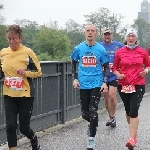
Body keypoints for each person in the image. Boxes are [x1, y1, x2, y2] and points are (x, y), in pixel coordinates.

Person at [0, 24, 42, 150]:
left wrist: (26, 73)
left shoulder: (27, 52)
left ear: (20, 38)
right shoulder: (3, 52)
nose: (12, 42)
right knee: (10, 126)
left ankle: (33, 138)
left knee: (24, 128)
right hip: (9, 95)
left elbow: (39, 72)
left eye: (14, 38)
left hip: (25, 95)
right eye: (9, 39)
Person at [70, 23, 110, 150]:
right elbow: (73, 63)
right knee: (84, 113)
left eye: (93, 30)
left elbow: (107, 67)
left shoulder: (101, 50)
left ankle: (91, 139)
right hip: (83, 83)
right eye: (88, 30)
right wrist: (74, 79)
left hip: (96, 83)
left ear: (96, 33)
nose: (90, 33)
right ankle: (91, 124)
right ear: (84, 33)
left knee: (93, 110)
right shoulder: (78, 48)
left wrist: (105, 82)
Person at [112, 29, 150, 149]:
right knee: (128, 112)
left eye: (133, 36)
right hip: (123, 84)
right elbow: (114, 68)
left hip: (138, 83)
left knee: (134, 111)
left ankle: (132, 138)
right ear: (126, 38)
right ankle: (134, 133)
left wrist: (146, 71)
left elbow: (148, 65)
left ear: (136, 38)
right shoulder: (119, 52)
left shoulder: (142, 52)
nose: (131, 38)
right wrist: (118, 74)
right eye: (129, 36)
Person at [99, 28, 123, 127]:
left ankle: (113, 116)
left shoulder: (118, 45)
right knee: (106, 97)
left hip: (114, 75)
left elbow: (124, 57)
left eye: (109, 34)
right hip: (103, 76)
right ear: (102, 36)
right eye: (105, 34)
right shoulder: (99, 46)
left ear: (112, 35)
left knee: (112, 96)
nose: (107, 36)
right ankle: (111, 116)